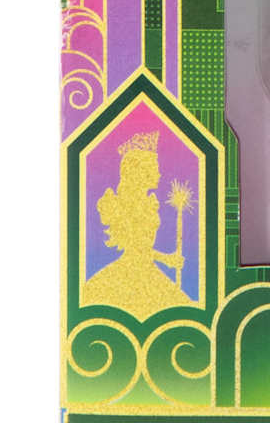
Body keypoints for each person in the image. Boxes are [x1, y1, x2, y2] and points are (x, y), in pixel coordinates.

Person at [82, 131, 191, 319]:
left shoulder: (148, 202)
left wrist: (166, 259)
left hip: (145, 269)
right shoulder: (130, 205)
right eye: (154, 168)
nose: (159, 173)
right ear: (140, 172)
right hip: (133, 274)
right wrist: (166, 259)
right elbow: (136, 251)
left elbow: (140, 249)